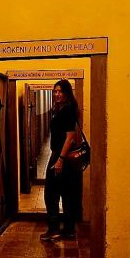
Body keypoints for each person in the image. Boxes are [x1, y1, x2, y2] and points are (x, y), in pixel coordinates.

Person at [40, 79, 80, 242]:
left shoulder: (68, 109)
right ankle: (69, 229)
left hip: (61, 155)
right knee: (66, 191)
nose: (57, 94)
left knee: (50, 193)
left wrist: (60, 160)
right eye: (55, 91)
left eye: (60, 91)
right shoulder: (63, 108)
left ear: (66, 93)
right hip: (62, 155)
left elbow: (70, 137)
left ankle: (54, 229)